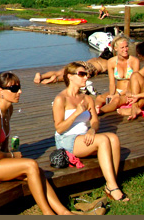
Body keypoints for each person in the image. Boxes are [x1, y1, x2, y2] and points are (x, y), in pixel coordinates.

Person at [0, 73, 80, 215]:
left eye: (19, 87)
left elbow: (3, 143)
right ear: (1, 92)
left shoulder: (8, 109)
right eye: (14, 88)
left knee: (36, 171)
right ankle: (48, 214)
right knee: (30, 165)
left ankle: (64, 212)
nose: (19, 91)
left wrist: (10, 159)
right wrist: (13, 156)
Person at [53, 62, 129, 203]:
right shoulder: (60, 99)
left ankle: (111, 183)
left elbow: (95, 121)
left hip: (84, 137)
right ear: (70, 77)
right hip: (67, 139)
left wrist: (92, 129)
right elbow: (59, 128)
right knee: (103, 140)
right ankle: (113, 187)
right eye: (81, 74)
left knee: (113, 138)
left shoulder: (87, 98)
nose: (86, 77)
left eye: (86, 74)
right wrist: (76, 113)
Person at [94, 37, 140, 115]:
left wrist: (117, 95)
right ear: (115, 48)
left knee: (116, 100)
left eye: (126, 46)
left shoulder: (134, 61)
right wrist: (112, 94)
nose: (125, 49)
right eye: (122, 47)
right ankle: (95, 109)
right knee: (100, 98)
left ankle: (100, 111)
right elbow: (112, 82)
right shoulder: (111, 62)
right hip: (117, 90)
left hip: (129, 91)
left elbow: (134, 82)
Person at [33, 49, 112, 84]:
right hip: (89, 68)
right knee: (72, 76)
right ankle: (55, 79)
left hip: (81, 62)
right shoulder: (108, 62)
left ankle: (41, 76)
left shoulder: (95, 58)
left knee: (60, 71)